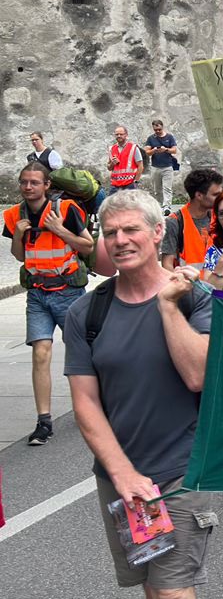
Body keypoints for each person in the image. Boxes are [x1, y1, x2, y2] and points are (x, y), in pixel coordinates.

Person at [63, 190, 216, 599]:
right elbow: (85, 402)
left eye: (131, 230)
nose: (120, 240)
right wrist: (122, 473)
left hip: (181, 470)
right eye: (111, 232)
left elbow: (198, 375)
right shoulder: (88, 314)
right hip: (123, 482)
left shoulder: (194, 297)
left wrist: (170, 307)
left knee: (173, 592)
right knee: (155, 587)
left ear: (158, 234)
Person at [5, 161, 95, 444]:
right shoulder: (14, 215)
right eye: (24, 182)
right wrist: (18, 235)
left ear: (46, 185)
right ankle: (43, 421)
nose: (28, 187)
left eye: (34, 182)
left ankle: (90, 406)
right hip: (37, 293)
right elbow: (19, 256)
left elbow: (88, 245)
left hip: (68, 291)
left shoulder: (66, 209)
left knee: (80, 353)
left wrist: (59, 230)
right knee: (40, 353)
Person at [160, 168, 223, 271]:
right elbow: (167, 264)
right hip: (188, 281)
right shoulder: (175, 222)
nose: (221, 198)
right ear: (199, 195)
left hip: (217, 280)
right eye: (215, 195)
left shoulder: (221, 218)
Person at [142, 119, 180, 208]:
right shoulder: (151, 138)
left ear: (162, 127)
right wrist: (154, 150)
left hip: (168, 166)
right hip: (155, 167)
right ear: (153, 129)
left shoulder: (169, 137)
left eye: (159, 129)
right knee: (157, 189)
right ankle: (159, 205)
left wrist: (166, 149)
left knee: (167, 188)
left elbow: (174, 150)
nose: (158, 131)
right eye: (155, 130)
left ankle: (167, 206)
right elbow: (146, 152)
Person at [106, 124, 145, 195]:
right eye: (117, 134)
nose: (119, 136)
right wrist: (112, 163)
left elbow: (140, 166)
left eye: (121, 134)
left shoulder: (133, 148)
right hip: (115, 185)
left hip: (129, 184)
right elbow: (109, 168)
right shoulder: (111, 149)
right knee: (111, 202)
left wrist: (136, 181)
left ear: (126, 135)